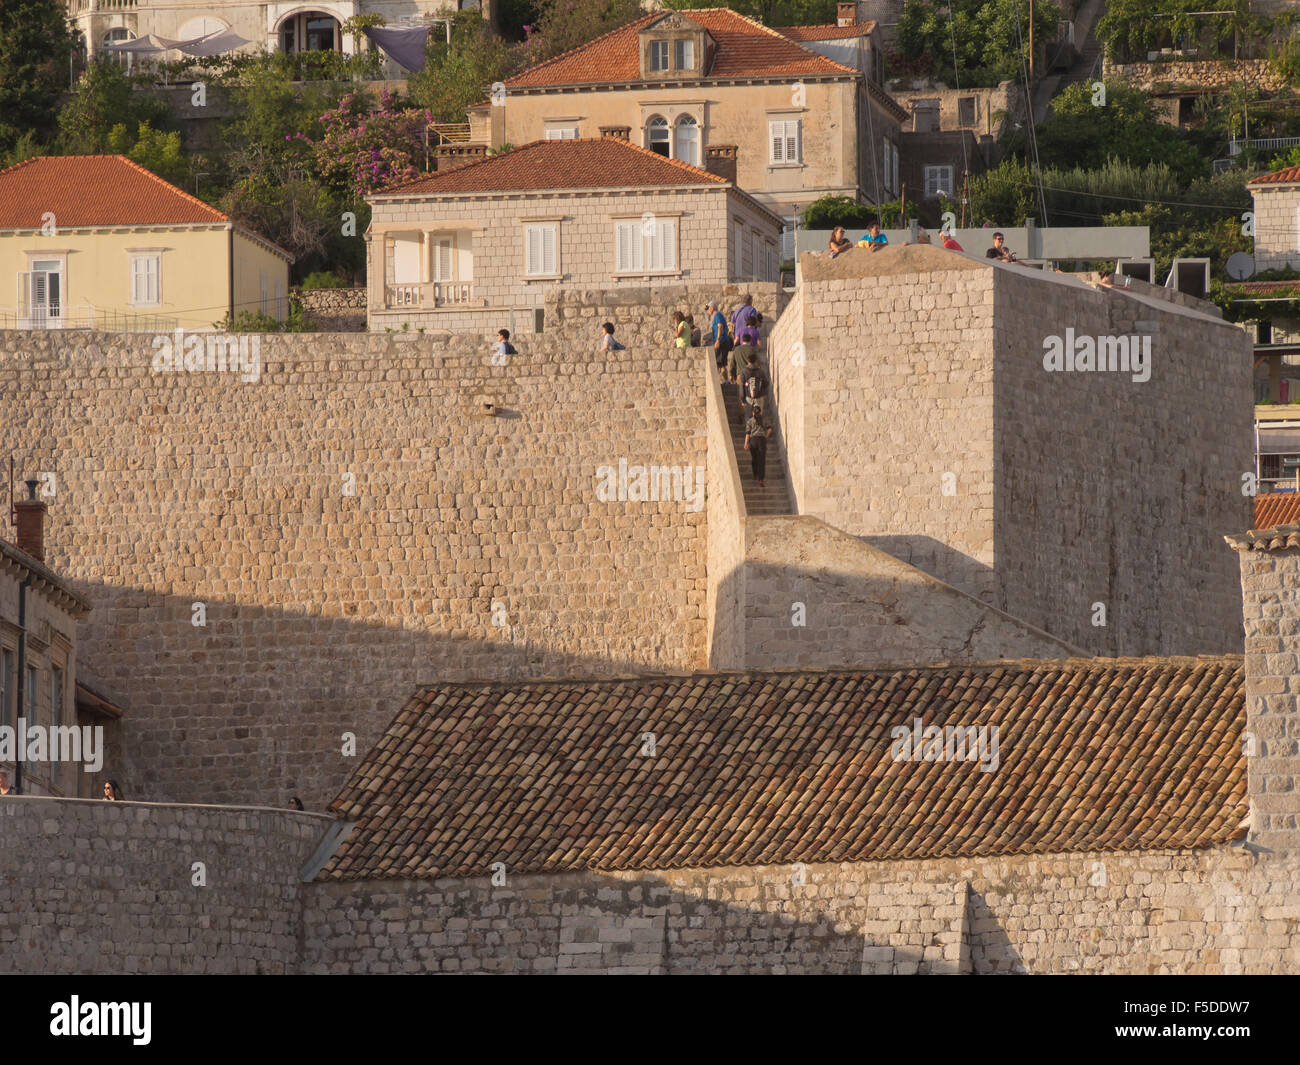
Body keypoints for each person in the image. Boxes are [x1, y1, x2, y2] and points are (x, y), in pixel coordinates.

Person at [744, 405, 773, 488]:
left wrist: (746, 443)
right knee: (761, 460)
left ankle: (755, 474)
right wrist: (765, 436)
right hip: (761, 440)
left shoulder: (750, 421)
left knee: (754, 458)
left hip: (753, 441)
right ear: (760, 412)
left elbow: (748, 433)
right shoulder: (764, 419)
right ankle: (761, 479)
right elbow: (770, 429)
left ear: (753, 413)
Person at [740, 350, 770, 419]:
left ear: (748, 361)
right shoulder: (760, 371)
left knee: (748, 416)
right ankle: (758, 429)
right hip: (759, 397)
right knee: (759, 416)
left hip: (748, 397)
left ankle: (749, 429)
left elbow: (741, 386)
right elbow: (766, 383)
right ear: (756, 361)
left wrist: (742, 399)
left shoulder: (744, 371)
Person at [707, 301, 731, 373]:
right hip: (722, 341)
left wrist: (718, 340)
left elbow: (720, 326)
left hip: (721, 342)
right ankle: (726, 381)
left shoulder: (717, 315)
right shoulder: (718, 315)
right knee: (721, 364)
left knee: (718, 363)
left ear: (712, 307)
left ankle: (725, 381)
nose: (707, 310)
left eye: (708, 308)